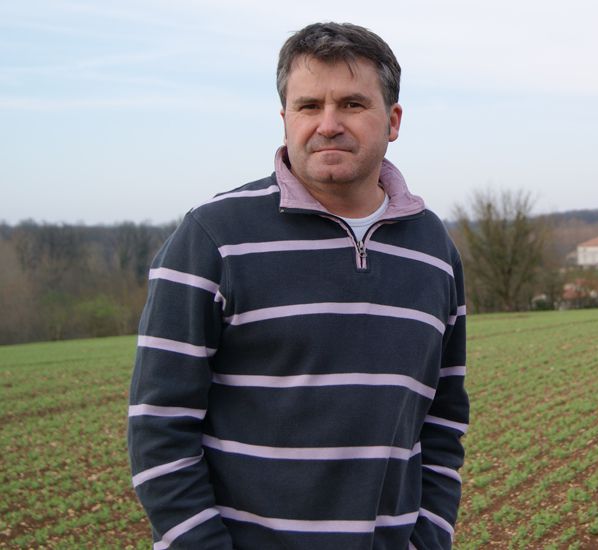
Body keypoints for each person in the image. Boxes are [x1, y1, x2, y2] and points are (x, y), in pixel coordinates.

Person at [127, 22, 468, 550]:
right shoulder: (212, 238)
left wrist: (429, 539)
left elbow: (443, 422)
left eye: (352, 104)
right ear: (285, 118)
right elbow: (160, 428)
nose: (328, 125)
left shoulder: (434, 250)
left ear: (393, 120)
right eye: (309, 106)